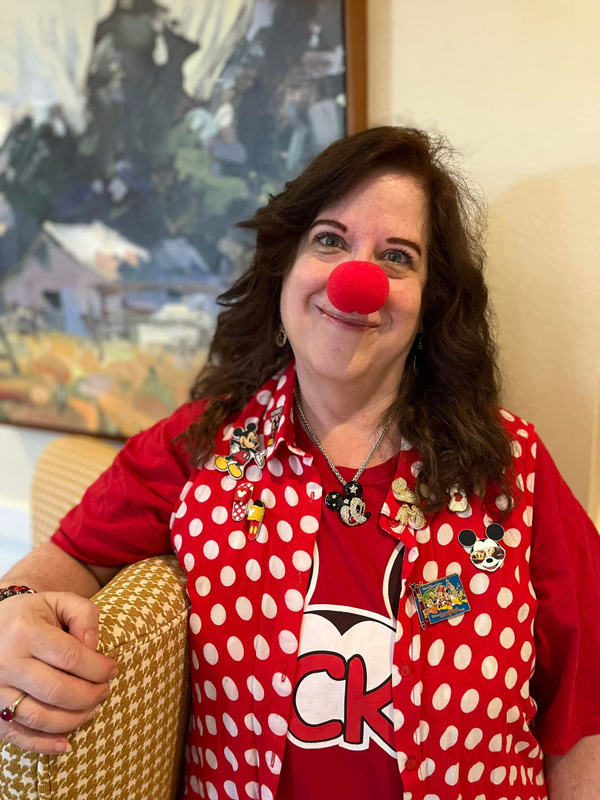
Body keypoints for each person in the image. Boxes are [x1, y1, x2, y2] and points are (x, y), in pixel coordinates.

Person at [1, 126, 599, 800]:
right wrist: (11, 613)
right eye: (331, 240)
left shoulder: (512, 466)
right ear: (287, 266)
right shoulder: (201, 445)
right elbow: (70, 557)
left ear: (430, 303)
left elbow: (585, 714)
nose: (357, 279)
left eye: (397, 257)